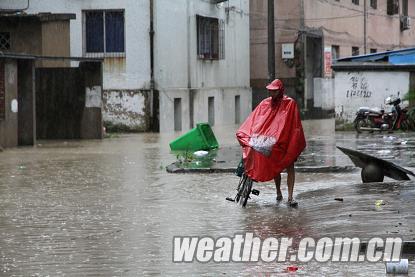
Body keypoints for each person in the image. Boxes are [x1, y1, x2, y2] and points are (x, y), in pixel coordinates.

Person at [236, 79, 306, 207]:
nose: (271, 94)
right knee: (272, 163)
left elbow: (294, 125)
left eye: (274, 91)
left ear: (280, 91)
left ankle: (290, 197)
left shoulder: (289, 104)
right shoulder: (265, 103)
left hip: (285, 140)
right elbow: (255, 120)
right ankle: (278, 192)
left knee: (290, 166)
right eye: (270, 91)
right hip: (268, 139)